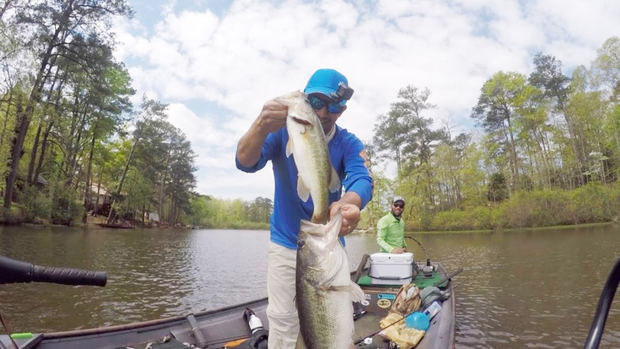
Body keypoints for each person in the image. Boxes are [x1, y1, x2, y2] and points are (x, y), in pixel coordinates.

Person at [235, 68, 373, 348]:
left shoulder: (349, 143)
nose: (323, 113)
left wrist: (348, 205)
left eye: (333, 106)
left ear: (342, 110)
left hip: (327, 244)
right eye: (316, 103)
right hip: (285, 243)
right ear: (306, 101)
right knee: (283, 321)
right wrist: (261, 125)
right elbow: (245, 162)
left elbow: (362, 179)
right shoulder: (280, 133)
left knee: (333, 321)